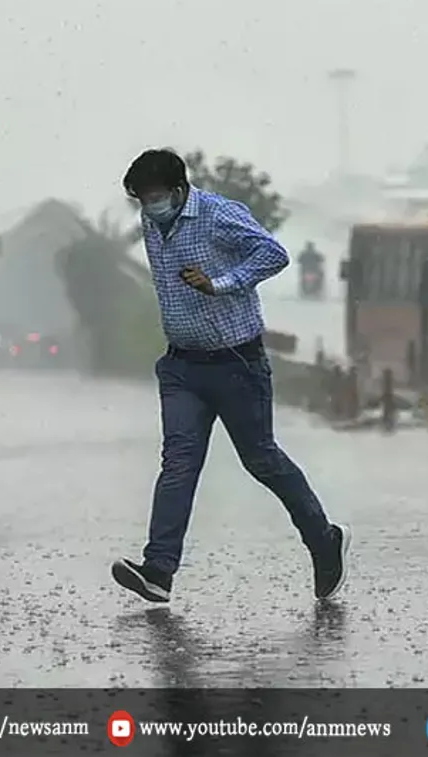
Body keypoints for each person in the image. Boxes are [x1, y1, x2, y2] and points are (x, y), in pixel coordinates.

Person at [111, 148, 351, 604]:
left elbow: (274, 254)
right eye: (142, 199)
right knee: (178, 463)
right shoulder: (150, 222)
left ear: (180, 190)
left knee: (261, 460)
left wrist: (220, 282)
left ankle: (324, 541)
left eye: (157, 196)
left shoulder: (219, 215)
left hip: (237, 363)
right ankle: (159, 569)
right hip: (182, 366)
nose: (150, 206)